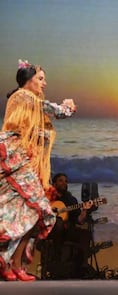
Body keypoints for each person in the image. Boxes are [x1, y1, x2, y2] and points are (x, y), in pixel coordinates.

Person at [0, 59, 76, 281]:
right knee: (40, 211)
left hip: (27, 167)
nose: (45, 83)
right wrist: (67, 107)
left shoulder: (32, 105)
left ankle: (14, 264)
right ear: (28, 80)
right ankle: (10, 262)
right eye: (40, 79)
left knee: (27, 215)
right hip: (17, 162)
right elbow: (54, 110)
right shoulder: (24, 97)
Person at [44, 173, 93, 275]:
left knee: (85, 234)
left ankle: (83, 264)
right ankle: (56, 260)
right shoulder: (48, 198)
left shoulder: (71, 200)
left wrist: (84, 210)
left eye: (66, 181)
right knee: (59, 223)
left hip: (67, 231)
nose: (64, 183)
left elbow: (79, 220)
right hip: (49, 231)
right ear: (54, 183)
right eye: (61, 181)